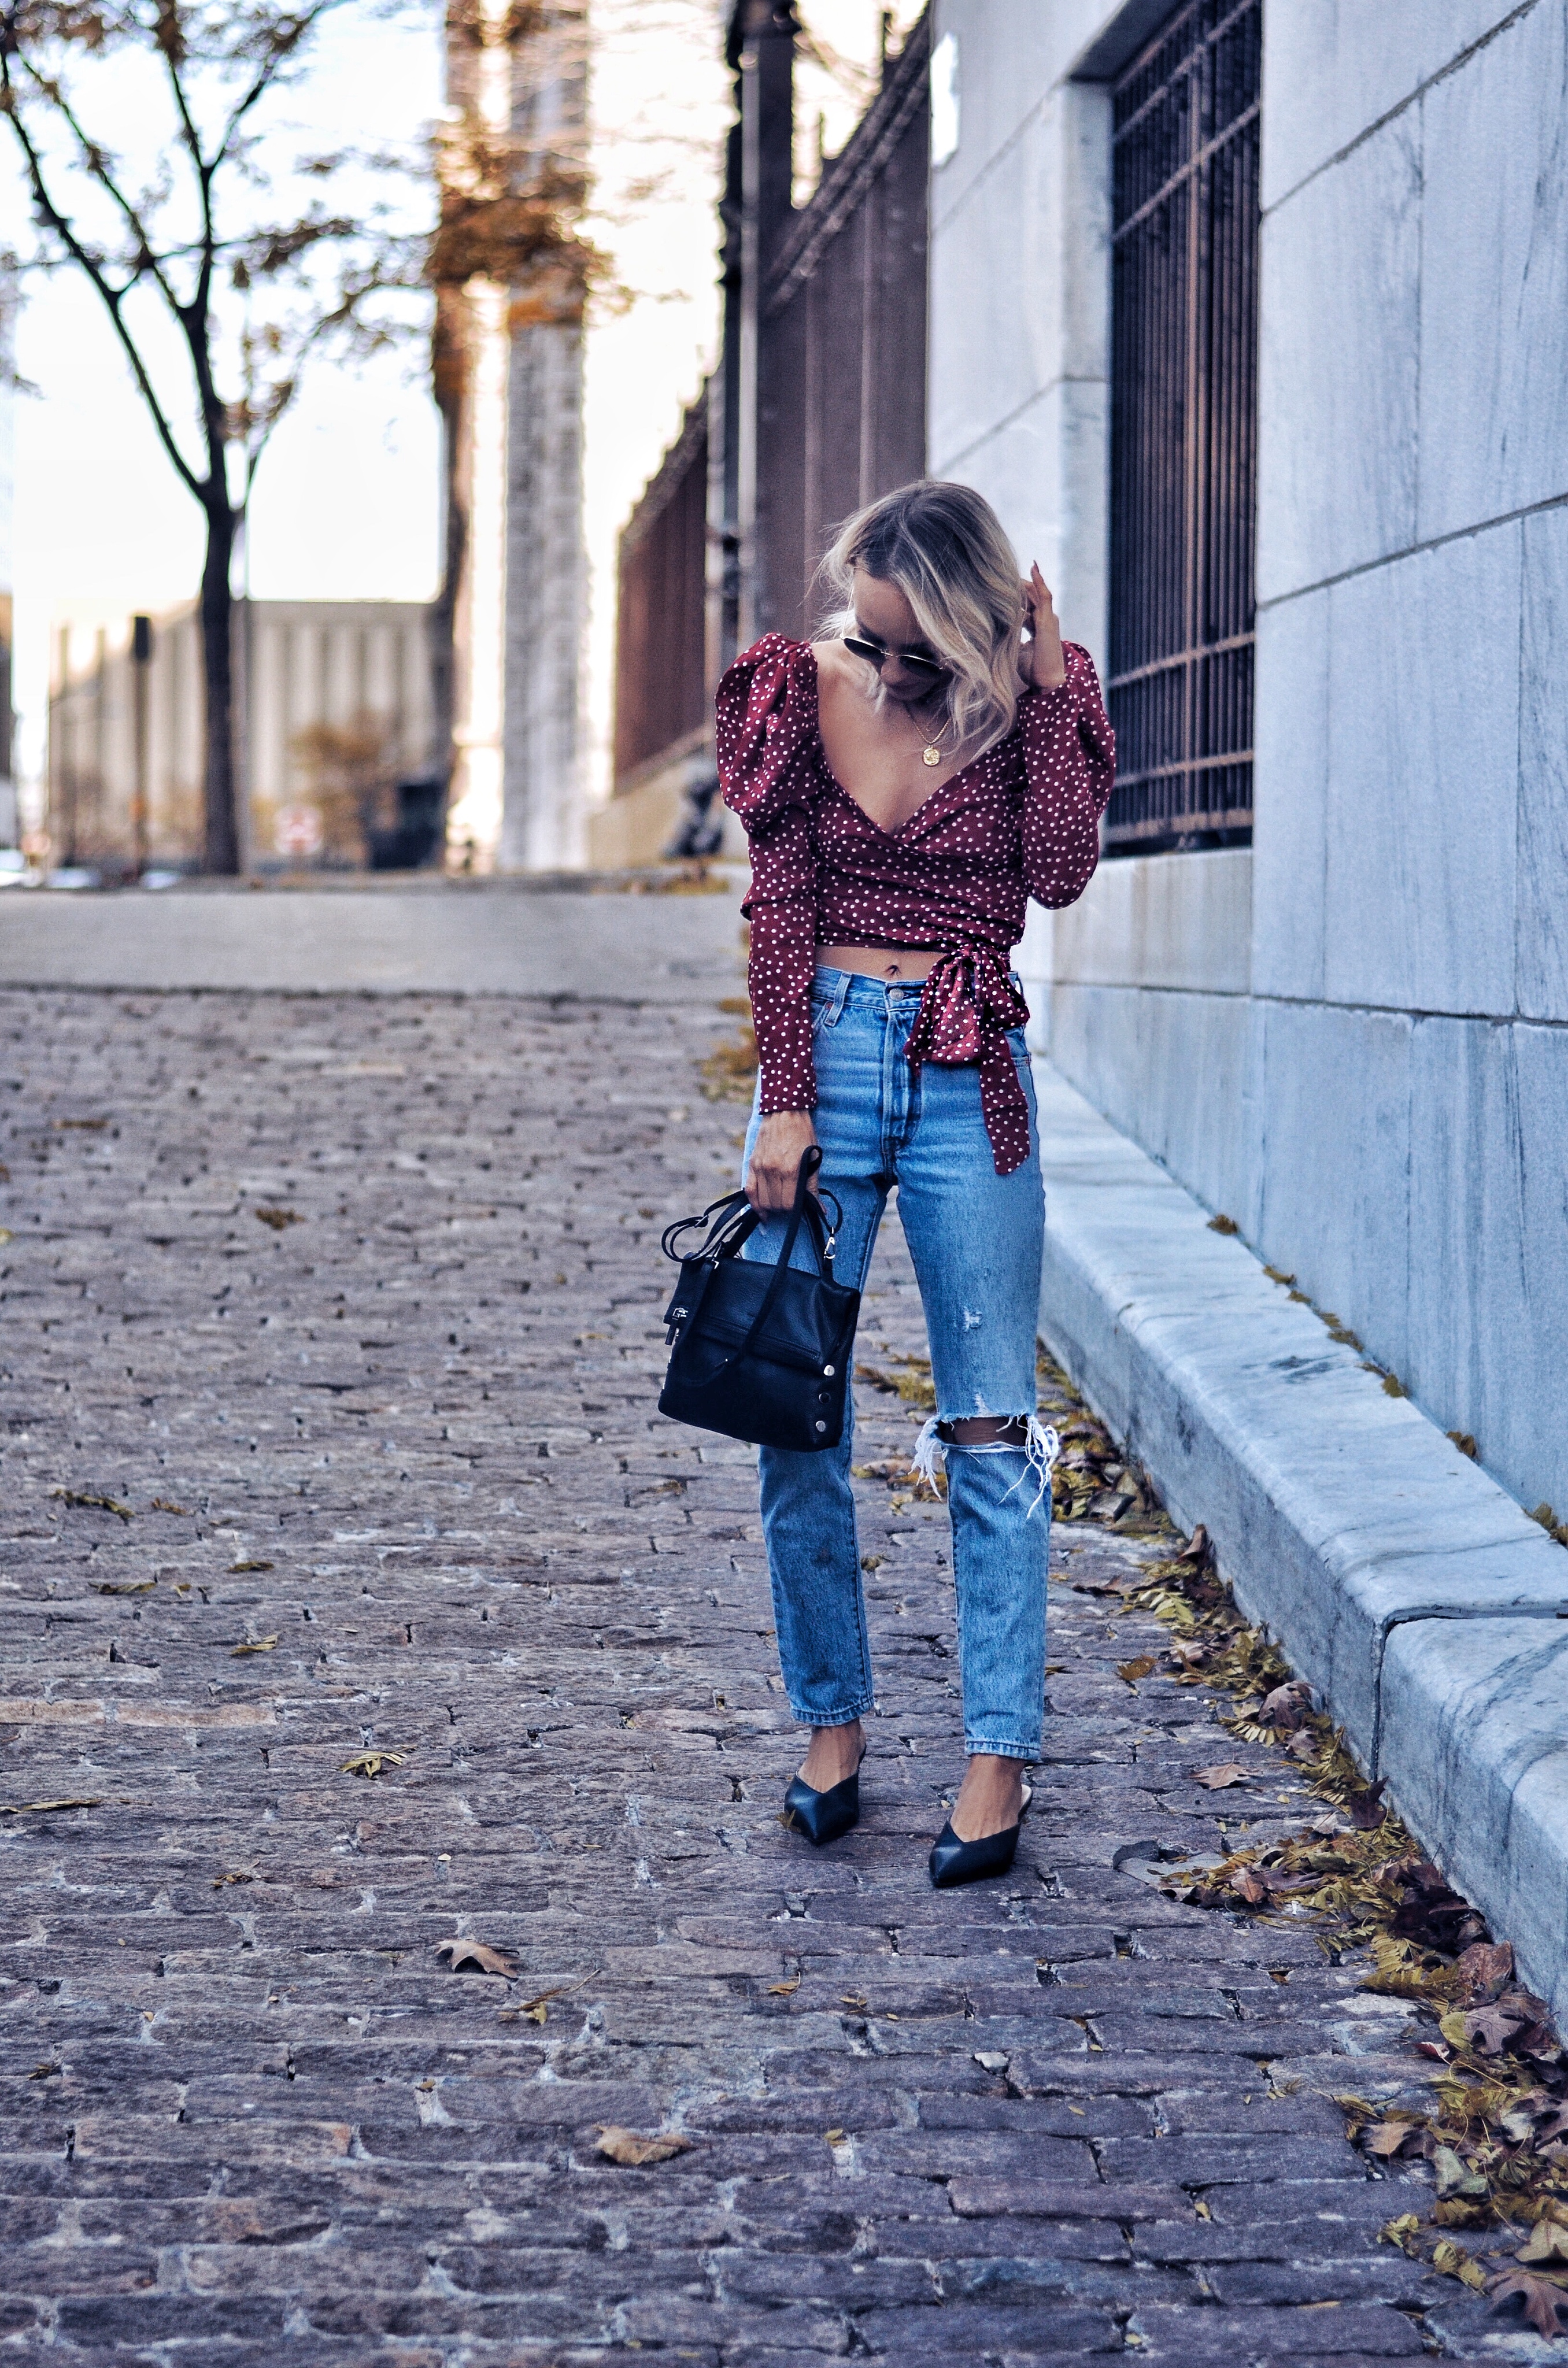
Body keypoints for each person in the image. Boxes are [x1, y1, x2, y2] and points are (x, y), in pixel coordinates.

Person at [715, 479, 1114, 1888]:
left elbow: (1061, 875)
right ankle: (833, 1731)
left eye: (914, 652)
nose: (886, 673)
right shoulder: (791, 689)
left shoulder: (1025, 710)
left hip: (967, 1069)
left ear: (971, 624)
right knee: (790, 1410)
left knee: (993, 1426)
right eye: (870, 642)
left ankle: (999, 1755)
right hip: (826, 1050)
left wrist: (1051, 679)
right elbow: (782, 903)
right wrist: (785, 1100)